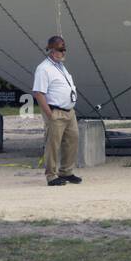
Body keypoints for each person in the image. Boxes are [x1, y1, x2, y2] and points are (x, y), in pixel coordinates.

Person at [32, 35, 81, 187]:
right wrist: (50, 114)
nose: (63, 52)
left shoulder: (60, 66)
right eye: (60, 49)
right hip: (55, 111)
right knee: (53, 144)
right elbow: (39, 93)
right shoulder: (43, 69)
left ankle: (66, 171)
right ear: (52, 51)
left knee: (72, 140)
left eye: (64, 49)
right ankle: (51, 175)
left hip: (69, 111)